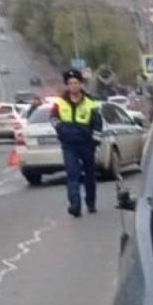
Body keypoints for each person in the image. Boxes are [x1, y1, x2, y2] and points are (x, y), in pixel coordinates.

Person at [51, 69, 104, 217]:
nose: (73, 86)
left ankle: (91, 202)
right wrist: (61, 129)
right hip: (69, 145)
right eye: (70, 83)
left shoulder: (90, 103)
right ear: (67, 85)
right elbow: (53, 119)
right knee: (72, 174)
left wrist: (95, 140)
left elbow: (97, 123)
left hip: (86, 144)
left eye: (76, 83)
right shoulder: (60, 102)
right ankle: (75, 205)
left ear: (80, 84)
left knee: (89, 175)